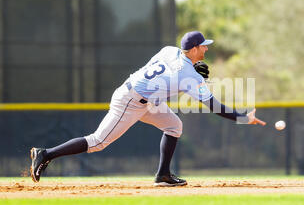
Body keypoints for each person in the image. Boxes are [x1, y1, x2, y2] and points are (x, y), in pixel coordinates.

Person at [30, 31, 266, 186]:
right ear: (193, 49)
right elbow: (214, 106)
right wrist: (244, 118)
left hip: (144, 98)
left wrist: (191, 73)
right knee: (97, 142)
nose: (205, 50)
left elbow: (156, 69)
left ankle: (163, 175)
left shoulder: (169, 50)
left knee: (174, 125)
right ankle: (45, 154)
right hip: (131, 101)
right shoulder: (189, 76)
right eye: (203, 47)